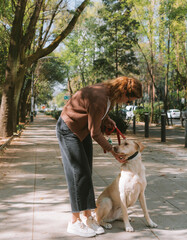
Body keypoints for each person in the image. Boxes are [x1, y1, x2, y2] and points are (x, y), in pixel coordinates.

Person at [56, 76, 142, 237]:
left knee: (86, 172)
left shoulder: (108, 95)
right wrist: (113, 151)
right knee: (78, 174)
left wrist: (107, 120)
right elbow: (95, 132)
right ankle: (74, 222)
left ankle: (88, 217)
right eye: (129, 99)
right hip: (68, 129)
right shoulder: (100, 97)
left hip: (82, 131)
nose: (127, 103)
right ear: (124, 91)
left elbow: (95, 113)